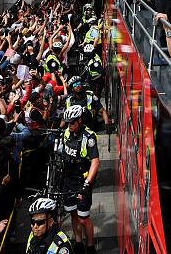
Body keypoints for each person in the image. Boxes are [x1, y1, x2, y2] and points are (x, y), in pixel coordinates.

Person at [60, 105, 100, 254]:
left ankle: (90, 245)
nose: (68, 125)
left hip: (82, 182)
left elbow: (95, 162)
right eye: (67, 122)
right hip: (68, 180)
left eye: (71, 122)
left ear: (79, 120)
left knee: (83, 218)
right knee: (73, 213)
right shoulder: (66, 133)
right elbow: (63, 152)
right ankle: (78, 242)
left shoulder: (89, 137)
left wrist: (87, 184)